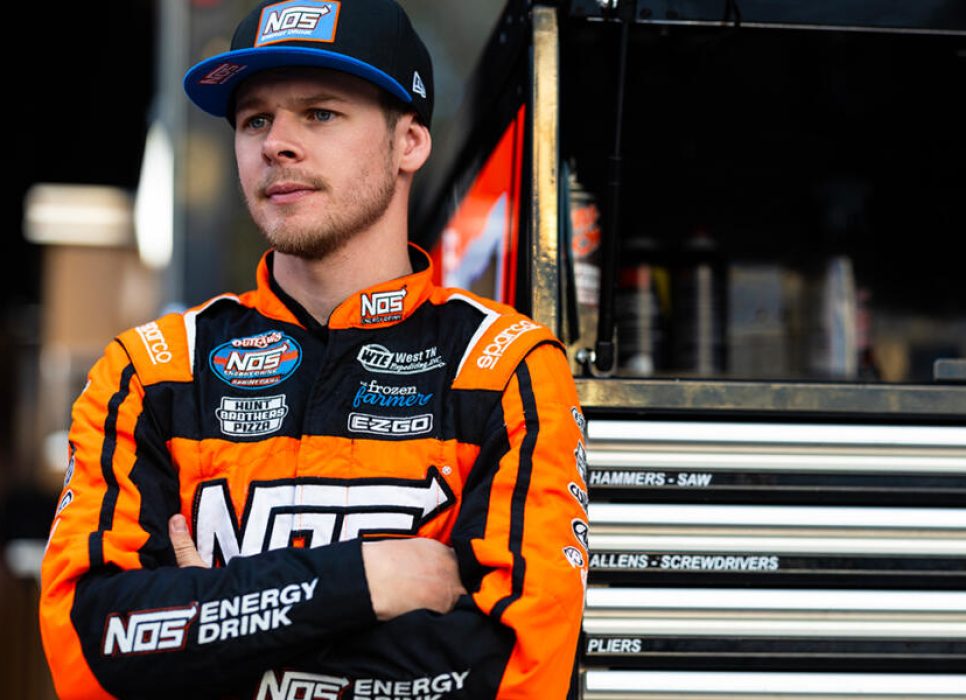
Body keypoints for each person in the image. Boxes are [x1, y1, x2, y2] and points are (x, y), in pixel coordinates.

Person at [38, 1, 590, 698]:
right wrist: (362, 584)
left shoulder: (505, 365)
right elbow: (88, 650)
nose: (277, 144)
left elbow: (520, 668)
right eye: (255, 119)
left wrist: (216, 623)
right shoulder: (150, 370)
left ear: (409, 143)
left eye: (321, 113)